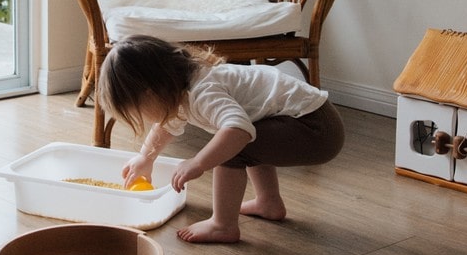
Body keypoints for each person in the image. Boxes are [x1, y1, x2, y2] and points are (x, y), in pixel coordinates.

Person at [98, 35, 345, 243]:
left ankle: (223, 225)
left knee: (233, 145)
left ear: (152, 92)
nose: (143, 117)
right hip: (309, 120)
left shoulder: (203, 90)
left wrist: (199, 162)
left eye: (138, 111)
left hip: (316, 127)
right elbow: (167, 124)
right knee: (248, 135)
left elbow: (237, 129)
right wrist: (146, 157)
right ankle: (268, 202)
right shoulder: (177, 90)